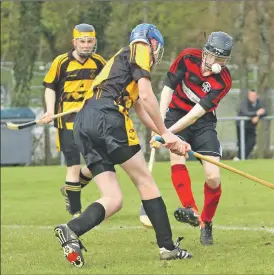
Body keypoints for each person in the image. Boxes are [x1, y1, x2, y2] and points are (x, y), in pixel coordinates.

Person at [53, 23, 192, 268]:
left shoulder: (121, 65)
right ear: (153, 43)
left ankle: (71, 230)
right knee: (145, 181)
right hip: (108, 117)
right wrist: (167, 133)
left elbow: (140, 108)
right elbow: (148, 96)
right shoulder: (139, 47)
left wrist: (163, 136)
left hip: (84, 123)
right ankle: (168, 247)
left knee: (114, 198)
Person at [142, 31, 233, 246]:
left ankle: (206, 222)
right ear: (205, 52)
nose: (215, 63)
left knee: (213, 178)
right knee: (177, 159)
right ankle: (190, 209)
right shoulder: (186, 58)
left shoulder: (224, 82)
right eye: (213, 56)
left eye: (221, 59)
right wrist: (160, 126)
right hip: (174, 114)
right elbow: (166, 90)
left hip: (202, 123)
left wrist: (166, 133)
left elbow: (196, 114)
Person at [40, 24, 107, 218]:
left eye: (89, 41)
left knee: (101, 161)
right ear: (74, 42)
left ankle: (71, 189)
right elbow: (50, 87)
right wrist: (49, 111)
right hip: (66, 121)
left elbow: (106, 87)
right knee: (73, 166)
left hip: (91, 121)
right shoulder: (61, 62)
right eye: (82, 41)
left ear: (94, 41)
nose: (86, 45)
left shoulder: (99, 63)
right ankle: (76, 215)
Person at [234, 89, 267, 160]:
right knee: (242, 143)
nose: (253, 97)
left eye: (254, 95)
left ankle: (241, 158)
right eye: (251, 96)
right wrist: (256, 113)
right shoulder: (244, 102)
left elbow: (265, 111)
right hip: (242, 126)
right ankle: (240, 158)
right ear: (248, 96)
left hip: (251, 127)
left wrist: (257, 116)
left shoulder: (259, 102)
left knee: (252, 142)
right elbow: (245, 112)